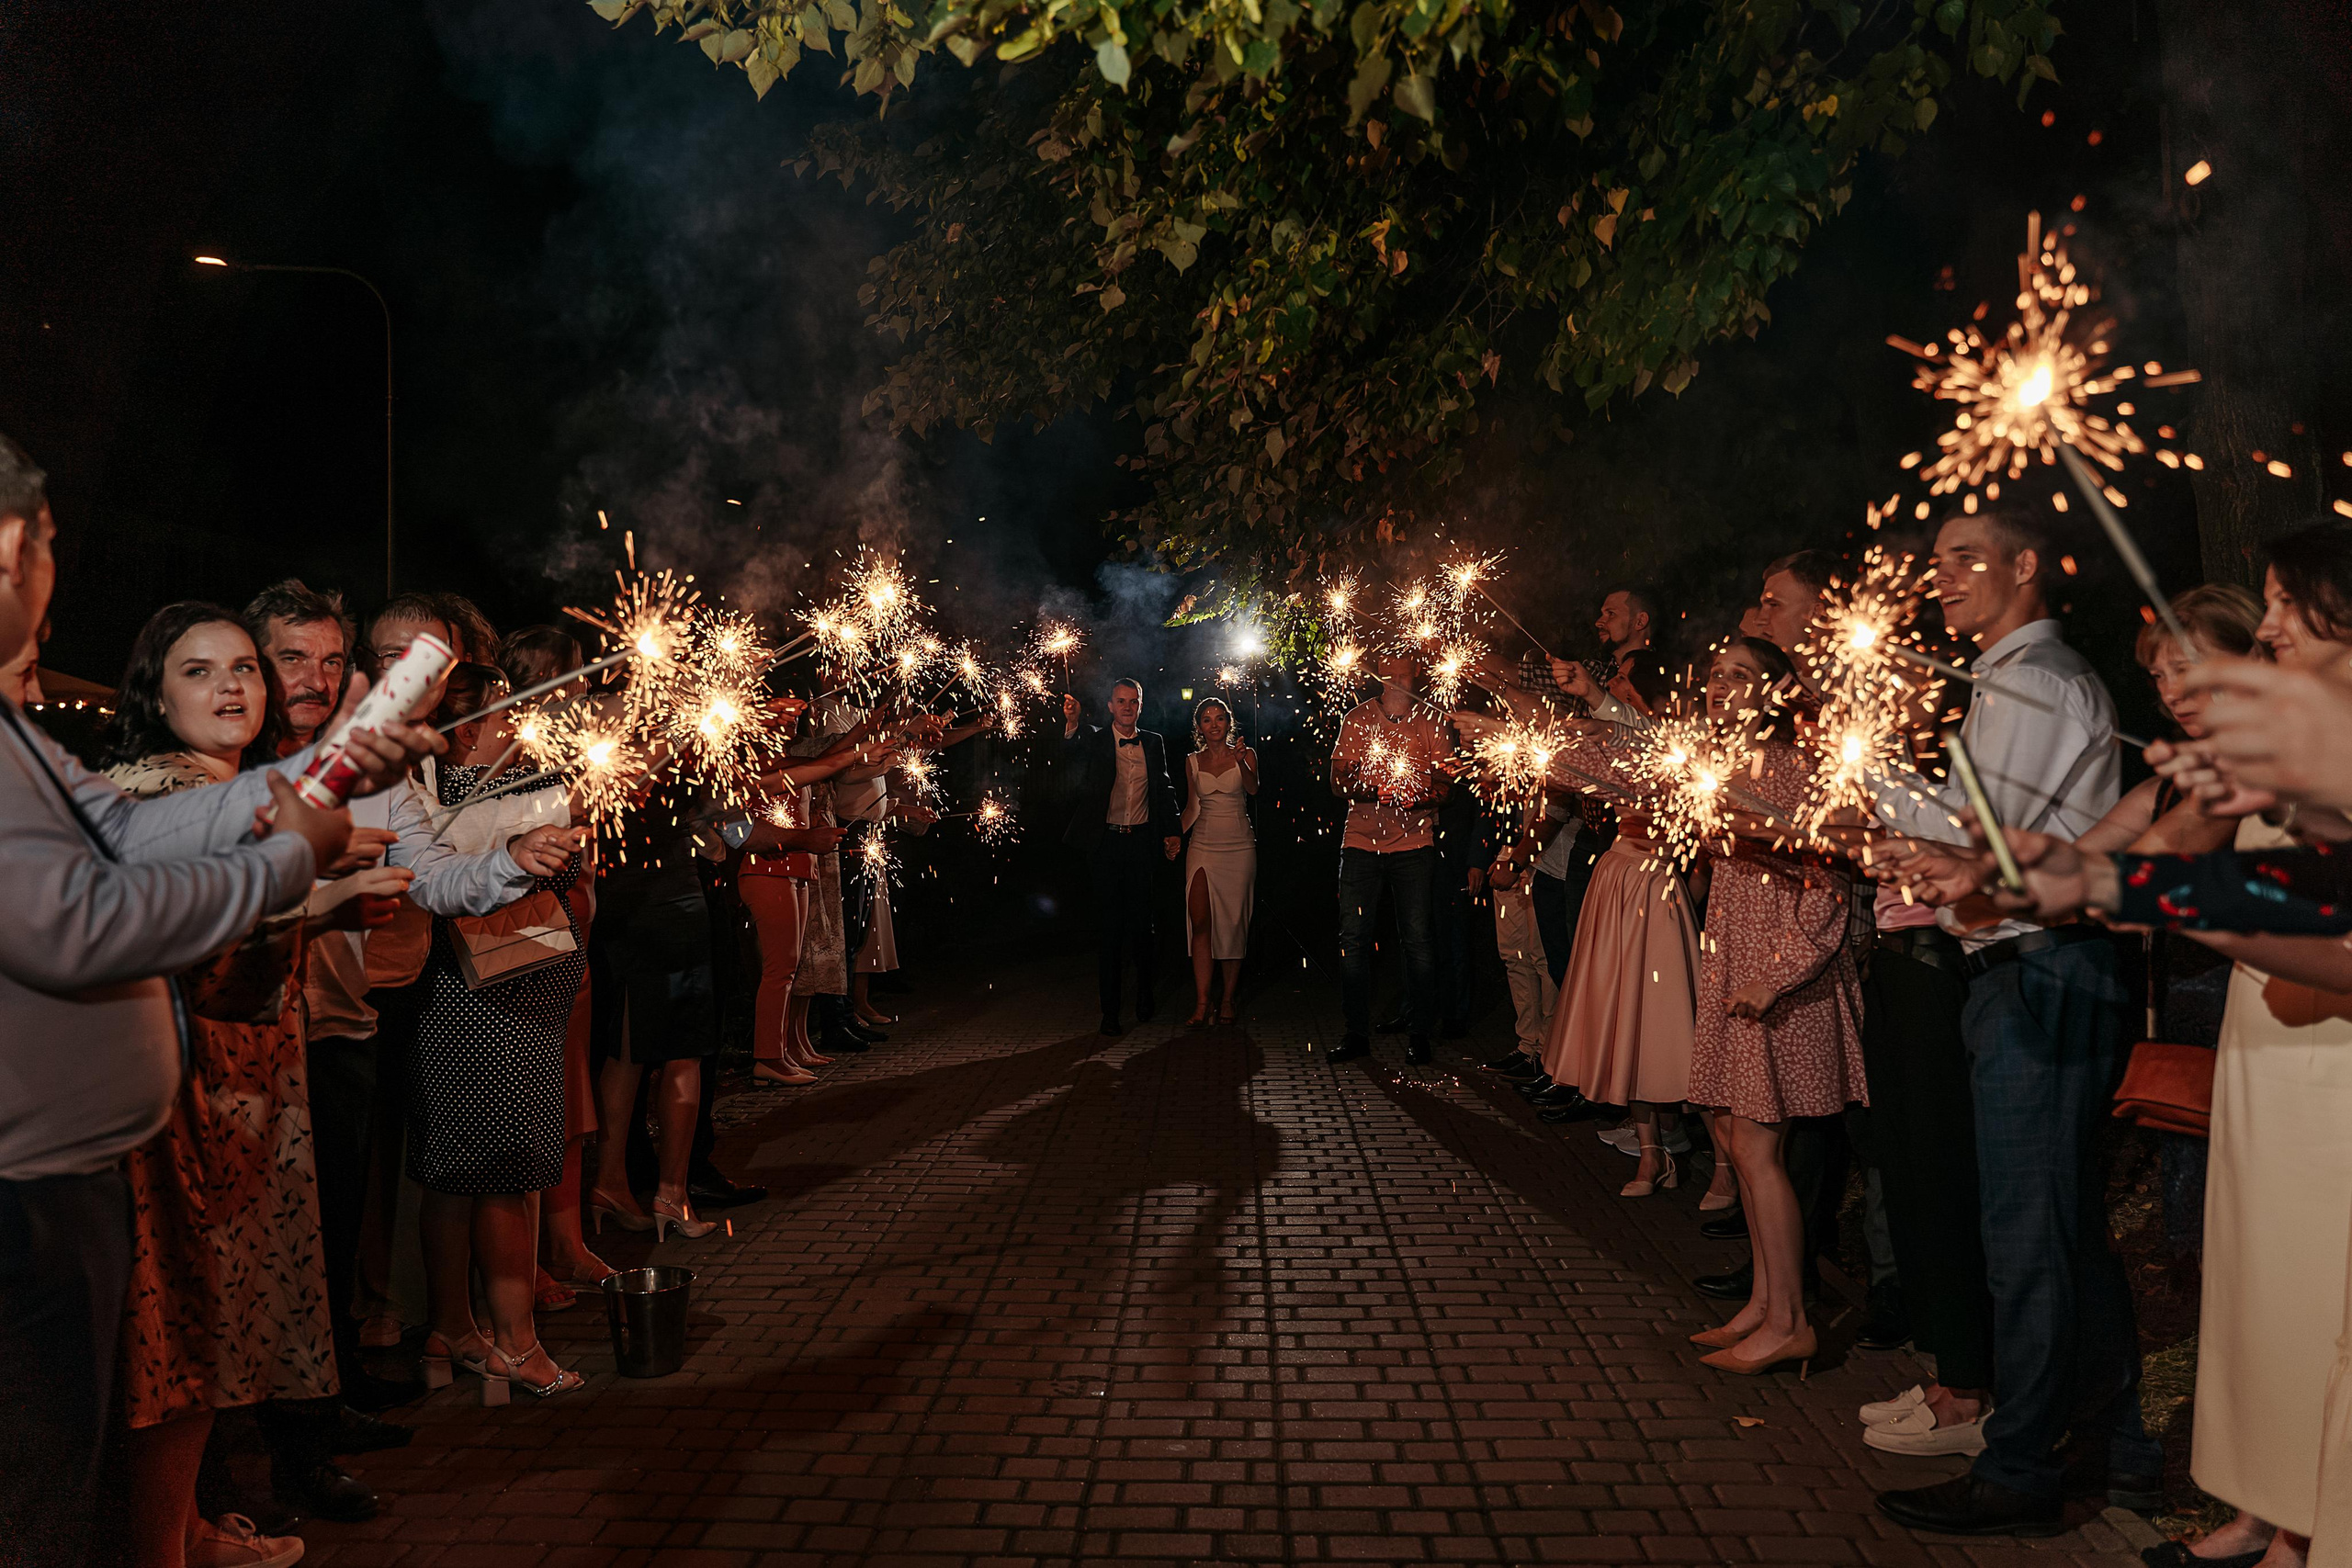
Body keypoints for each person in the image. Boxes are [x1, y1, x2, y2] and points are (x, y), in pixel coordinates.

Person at [0, 434, 441, 1568]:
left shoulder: (19, 740)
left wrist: (325, 774)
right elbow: (83, 919)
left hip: (73, 1183)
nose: (39, 580)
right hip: (32, 1189)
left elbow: (125, 832)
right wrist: (290, 860)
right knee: (42, 1497)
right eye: (32, 549)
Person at [1866, 505, 2163, 1536]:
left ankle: (2023, 1466)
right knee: (2054, 1223)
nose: (1941, 578)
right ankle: (2115, 1445)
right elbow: (1968, 842)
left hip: (2041, 968)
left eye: (1965, 558)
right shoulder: (2006, 681)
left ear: (2026, 564)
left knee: (2028, 1228)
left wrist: (1871, 774)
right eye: (1935, 561)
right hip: (2021, 967)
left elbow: (1984, 841)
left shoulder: (2033, 681)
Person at [1681, 637, 1864, 1376]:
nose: (1720, 685)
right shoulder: (1725, 763)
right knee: (1735, 1136)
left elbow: (1832, 885)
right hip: (1739, 967)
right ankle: (1764, 1302)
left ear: (1774, 691)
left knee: (1758, 1148)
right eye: (1715, 672)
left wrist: (1777, 976)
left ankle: (1791, 1322)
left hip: (1783, 985)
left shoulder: (1796, 767)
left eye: (1740, 674)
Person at [1329, 652, 1450, 1064]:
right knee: (1353, 940)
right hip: (1360, 845)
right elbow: (1337, 781)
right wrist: (1372, 790)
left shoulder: (1431, 720)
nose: (1397, 680)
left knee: (1417, 940)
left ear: (1416, 674)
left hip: (1414, 846)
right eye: (1389, 674)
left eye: (1404, 673)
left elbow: (1447, 784)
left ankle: (1420, 1033)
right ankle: (1355, 1033)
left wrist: (1417, 797)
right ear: (1379, 676)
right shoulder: (1358, 718)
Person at [1059, 678, 1182, 1037]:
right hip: (1106, 845)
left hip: (1141, 843)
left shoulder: (1154, 742)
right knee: (1110, 929)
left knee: (1143, 927)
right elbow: (1072, 755)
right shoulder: (1096, 739)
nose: (1127, 707)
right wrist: (1072, 723)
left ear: (1140, 706)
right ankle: (1109, 1011)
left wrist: (1172, 831)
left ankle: (1144, 994)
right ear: (1110, 706)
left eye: (1133, 701)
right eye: (1121, 701)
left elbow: (1164, 789)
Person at [1180, 695, 1259, 1026]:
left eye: (1220, 718)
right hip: (1203, 846)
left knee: (1232, 925)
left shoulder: (1246, 754)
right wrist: (1173, 836)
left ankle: (1227, 999)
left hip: (1238, 848)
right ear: (1199, 727)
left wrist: (1241, 763)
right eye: (1207, 719)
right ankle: (1202, 1003)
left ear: (1228, 723)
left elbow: (1253, 789)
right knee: (1200, 923)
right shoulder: (1192, 761)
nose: (1214, 725)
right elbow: (1192, 807)